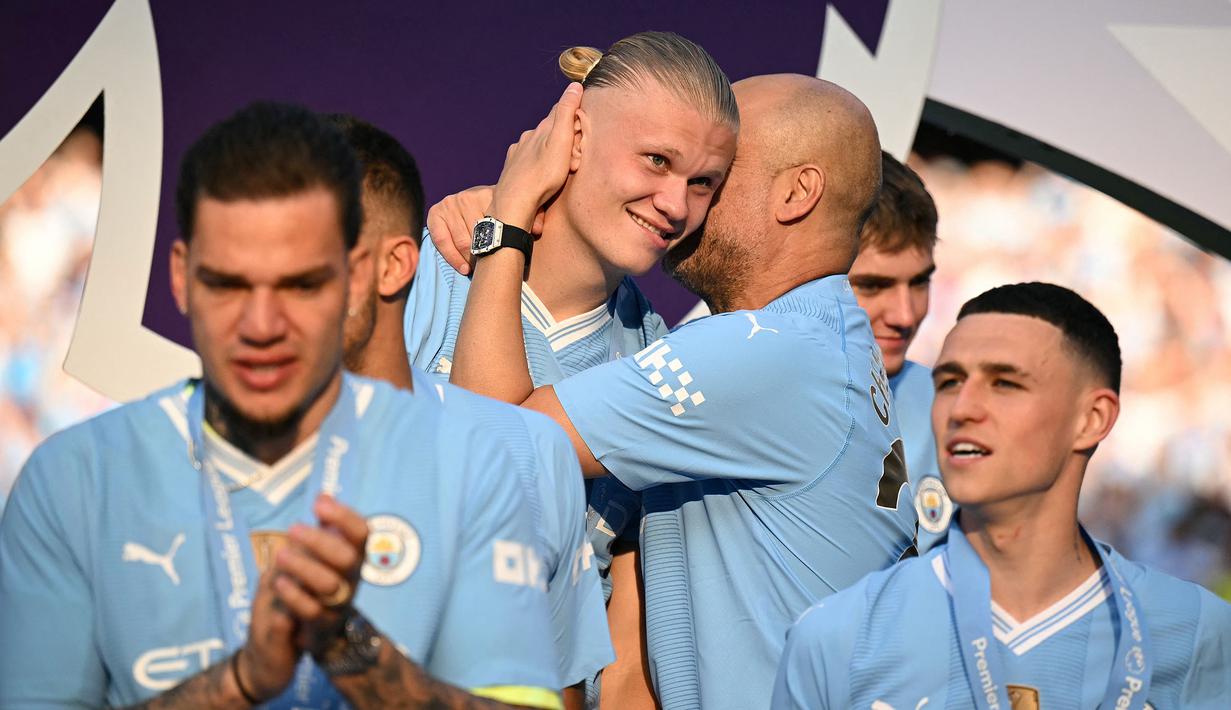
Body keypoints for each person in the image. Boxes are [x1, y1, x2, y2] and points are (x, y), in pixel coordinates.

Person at [0, 102, 561, 709]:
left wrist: (349, 647)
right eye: (229, 284)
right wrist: (241, 681)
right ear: (182, 278)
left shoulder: (469, 462)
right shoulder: (73, 478)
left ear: (351, 280)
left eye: (300, 285)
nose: (261, 325)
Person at [442, 73, 916, 708]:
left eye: (715, 176)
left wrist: (509, 216)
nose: (682, 200)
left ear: (797, 193)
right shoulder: (821, 343)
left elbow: (499, 439)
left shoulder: (770, 353)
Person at [414, 31, 739, 709]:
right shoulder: (427, 269)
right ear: (574, 135)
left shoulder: (663, 363)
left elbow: (626, 623)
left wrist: (503, 220)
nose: (675, 204)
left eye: (701, 183)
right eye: (655, 160)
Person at [771, 282, 1231, 709]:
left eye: (1005, 383)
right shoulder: (836, 639)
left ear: (1092, 418)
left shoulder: (1199, 635)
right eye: (949, 381)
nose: (963, 408)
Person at [326, 112, 612, 708]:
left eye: (310, 265)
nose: (270, 304)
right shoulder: (155, 457)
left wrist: (347, 651)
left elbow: (552, 695)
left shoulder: (534, 454)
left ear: (392, 264)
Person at [846, 151, 946, 545]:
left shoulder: (953, 409)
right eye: (872, 285)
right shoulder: (736, 396)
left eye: (920, 282)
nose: (905, 315)